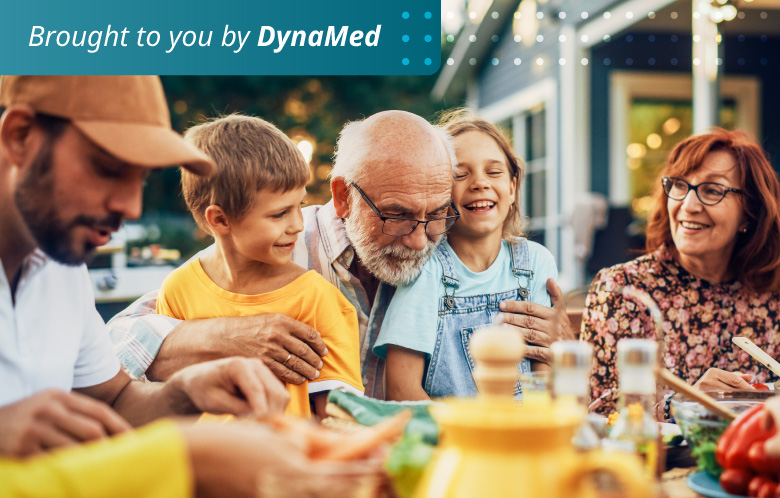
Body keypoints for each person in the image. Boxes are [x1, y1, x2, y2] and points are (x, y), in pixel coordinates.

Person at [108, 110, 575, 399]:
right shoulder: (284, 244)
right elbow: (115, 342)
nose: (419, 240)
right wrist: (228, 336)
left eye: (436, 215)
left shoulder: (454, 257)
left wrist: (560, 349)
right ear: (343, 197)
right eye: (397, 215)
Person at [0, 75, 290, 450]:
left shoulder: (62, 265)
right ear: (20, 135)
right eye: (108, 169)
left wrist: (186, 391)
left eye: (142, 179)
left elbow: (112, 399)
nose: (131, 207)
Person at [156, 115, 363, 417]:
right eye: (279, 214)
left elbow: (337, 419)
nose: (297, 225)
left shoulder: (317, 298)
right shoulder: (177, 290)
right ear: (220, 220)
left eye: (300, 206)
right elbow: (169, 401)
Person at [581, 128, 780, 416]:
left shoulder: (770, 299)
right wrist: (685, 404)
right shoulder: (623, 289)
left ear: (749, 213)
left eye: (712, 190)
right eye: (679, 186)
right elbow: (598, 411)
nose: (688, 205)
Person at [371, 110, 558, 400]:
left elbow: (540, 369)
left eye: (493, 171)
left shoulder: (536, 263)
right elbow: (401, 389)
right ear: (440, 192)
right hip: (452, 436)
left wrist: (533, 421)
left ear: (512, 187)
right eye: (460, 174)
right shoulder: (426, 270)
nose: (479, 183)